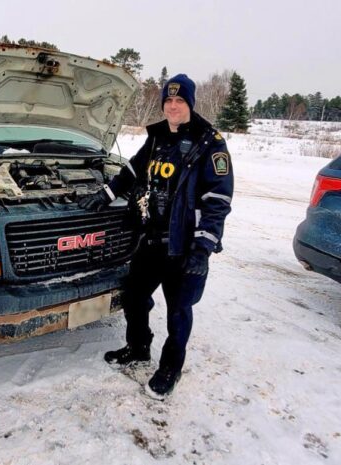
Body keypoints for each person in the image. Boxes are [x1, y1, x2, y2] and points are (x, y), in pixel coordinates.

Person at [79, 74, 233, 400]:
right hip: (150, 239)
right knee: (134, 297)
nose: (173, 106)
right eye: (168, 101)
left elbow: (218, 201)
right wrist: (105, 195)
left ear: (190, 103)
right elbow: (132, 171)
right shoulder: (157, 138)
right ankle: (138, 348)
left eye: (179, 101)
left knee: (179, 311)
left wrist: (202, 249)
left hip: (183, 245)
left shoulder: (210, 143)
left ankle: (170, 368)